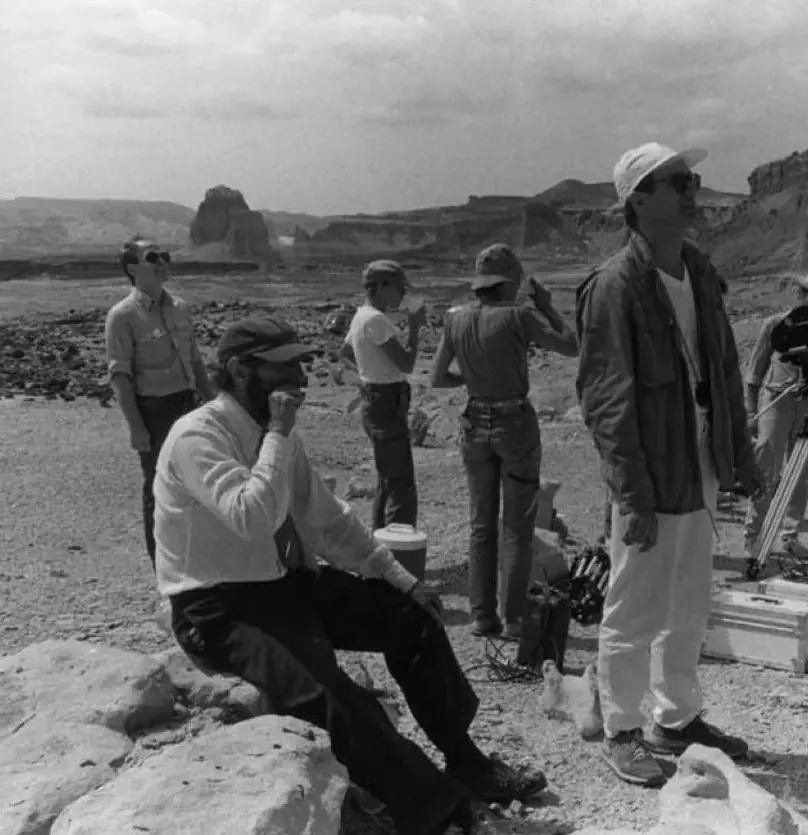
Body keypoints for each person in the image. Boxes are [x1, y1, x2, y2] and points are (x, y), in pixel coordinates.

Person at [152, 316, 547, 834]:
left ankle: (466, 760)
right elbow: (251, 518)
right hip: (216, 608)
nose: (301, 378)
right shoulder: (198, 435)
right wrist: (277, 434)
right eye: (283, 367)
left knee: (411, 617)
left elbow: (325, 520)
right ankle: (439, 812)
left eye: (301, 364)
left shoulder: (277, 436)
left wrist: (397, 578)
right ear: (238, 370)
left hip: (280, 586)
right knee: (333, 695)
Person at [574, 142, 764, 787]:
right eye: (674, 181)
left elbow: (724, 373)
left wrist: (738, 459)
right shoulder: (615, 286)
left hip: (699, 464)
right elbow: (605, 398)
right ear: (637, 200)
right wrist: (632, 492)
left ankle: (677, 719)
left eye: (692, 179)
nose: (691, 191)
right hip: (651, 474)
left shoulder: (699, 272)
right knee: (634, 607)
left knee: (688, 603)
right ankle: (624, 729)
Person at [430, 244, 578, 640]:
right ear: (510, 281)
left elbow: (437, 378)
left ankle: (482, 617)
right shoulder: (519, 314)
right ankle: (513, 619)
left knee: (481, 522)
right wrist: (547, 307)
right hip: (514, 422)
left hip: (473, 420)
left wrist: (472, 381)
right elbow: (570, 345)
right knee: (516, 525)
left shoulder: (455, 318)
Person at [105, 235, 214, 565]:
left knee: (196, 482)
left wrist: (212, 405)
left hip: (188, 403)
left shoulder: (179, 307)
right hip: (153, 410)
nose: (163, 262)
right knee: (158, 486)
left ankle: (196, 557)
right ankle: (163, 567)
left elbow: (194, 359)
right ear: (132, 269)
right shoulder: (122, 316)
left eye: (164, 255)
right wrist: (136, 428)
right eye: (153, 257)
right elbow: (120, 378)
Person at [742, 269, 808, 558]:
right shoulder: (775, 325)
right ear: (800, 294)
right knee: (765, 468)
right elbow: (754, 373)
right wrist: (751, 412)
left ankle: (789, 535)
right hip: (775, 399)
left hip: (807, 403)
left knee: (800, 472)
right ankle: (754, 537)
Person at [339, 260, 426, 530]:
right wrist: (415, 327)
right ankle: (399, 549)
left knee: (388, 478)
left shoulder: (361, 316)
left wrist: (366, 376)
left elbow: (345, 353)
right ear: (381, 287)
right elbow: (406, 364)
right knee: (400, 482)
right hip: (387, 400)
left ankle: (380, 540)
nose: (401, 294)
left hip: (377, 398)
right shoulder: (376, 320)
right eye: (399, 287)